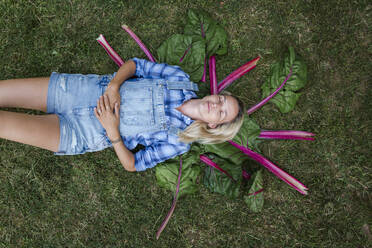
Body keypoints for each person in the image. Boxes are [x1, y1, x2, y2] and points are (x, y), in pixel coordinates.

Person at [0, 58, 244, 172]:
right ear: (216, 94)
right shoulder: (179, 79)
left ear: (213, 125)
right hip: (76, 92)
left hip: (82, 133)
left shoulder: (180, 141)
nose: (216, 105)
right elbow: (136, 65)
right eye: (222, 99)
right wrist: (114, 86)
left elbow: (133, 164)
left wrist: (112, 130)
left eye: (221, 113)